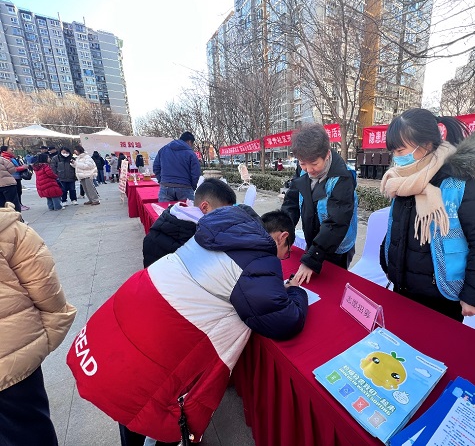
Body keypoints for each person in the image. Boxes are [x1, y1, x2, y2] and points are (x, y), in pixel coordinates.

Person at [67, 207, 308, 445]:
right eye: (286, 254)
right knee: (140, 410)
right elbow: (284, 321)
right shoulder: (259, 259)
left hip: (117, 326)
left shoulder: (214, 232)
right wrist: (296, 291)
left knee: (129, 410)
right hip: (149, 352)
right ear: (281, 238)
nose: (282, 259)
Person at [379, 108, 475, 322]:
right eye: (394, 151)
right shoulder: (402, 182)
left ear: (427, 145)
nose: (397, 158)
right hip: (403, 287)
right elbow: (395, 228)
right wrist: (388, 265)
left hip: (442, 296)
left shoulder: (467, 182)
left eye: (401, 150)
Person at [0, 202, 77, 445]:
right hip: (11, 358)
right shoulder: (10, 230)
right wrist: (42, 341)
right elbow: (47, 292)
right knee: (28, 430)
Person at [281, 123, 358, 285]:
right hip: (315, 239)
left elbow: (336, 223)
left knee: (331, 286)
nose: (308, 169)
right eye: (303, 163)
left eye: (314, 164)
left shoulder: (342, 178)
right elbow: (292, 201)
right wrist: (283, 233)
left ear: (327, 154)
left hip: (336, 246)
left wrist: (312, 259)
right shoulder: (303, 168)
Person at [142, 178, 236, 268]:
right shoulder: (202, 239)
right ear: (204, 207)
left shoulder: (167, 218)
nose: (225, 218)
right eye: (223, 213)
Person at [153, 132, 201, 202]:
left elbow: (156, 167)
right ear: (189, 141)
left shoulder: (163, 150)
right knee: (188, 212)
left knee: (165, 211)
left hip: (165, 187)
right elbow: (196, 173)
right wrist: (192, 186)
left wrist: (162, 180)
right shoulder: (191, 154)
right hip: (185, 187)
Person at [0, 145, 29, 210]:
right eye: (10, 149)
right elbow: (12, 169)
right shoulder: (4, 159)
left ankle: (4, 218)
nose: (12, 151)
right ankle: (16, 217)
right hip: (8, 182)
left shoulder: (9, 158)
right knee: (13, 202)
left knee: (2, 204)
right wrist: (22, 167)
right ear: (4, 151)